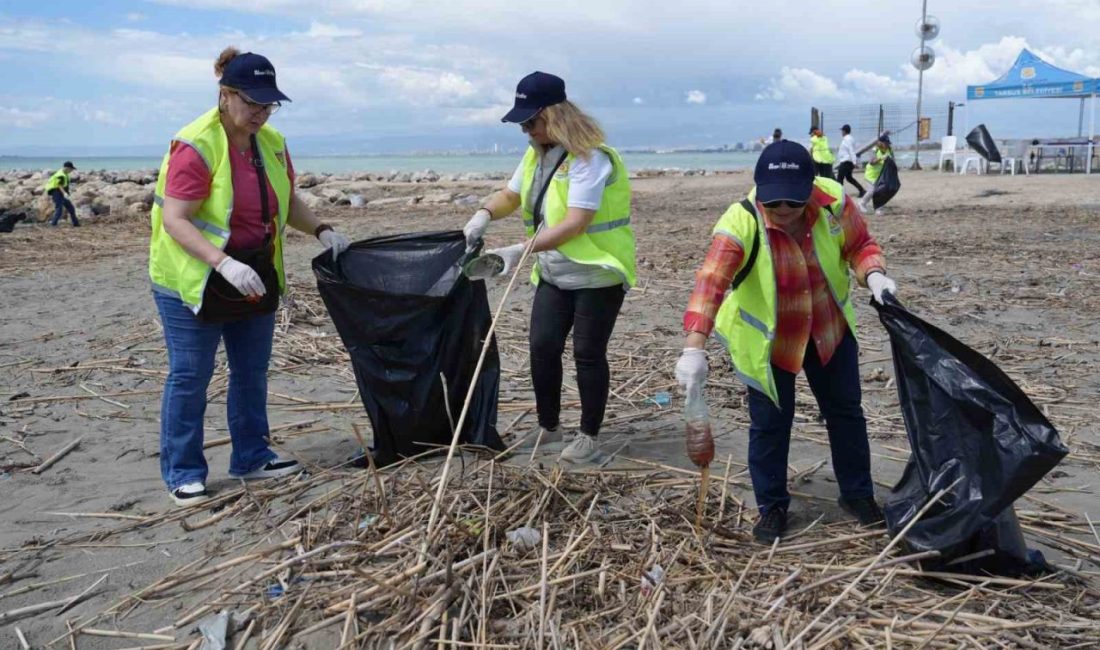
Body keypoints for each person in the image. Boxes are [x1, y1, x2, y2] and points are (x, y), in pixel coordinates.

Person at [148, 47, 351, 506]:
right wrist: (223, 263)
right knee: (190, 374)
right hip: (192, 277)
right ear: (226, 95)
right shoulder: (196, 144)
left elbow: (287, 199)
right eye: (253, 102)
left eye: (269, 104)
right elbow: (176, 220)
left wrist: (322, 229)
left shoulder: (273, 143)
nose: (261, 113)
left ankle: (252, 456)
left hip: (254, 274)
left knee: (251, 371)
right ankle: (183, 470)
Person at [674, 141, 898, 543]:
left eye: (791, 202)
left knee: (846, 413)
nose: (780, 210)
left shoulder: (832, 202)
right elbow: (710, 284)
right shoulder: (740, 221)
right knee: (770, 425)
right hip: (771, 343)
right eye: (771, 200)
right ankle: (772, 506)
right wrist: (694, 347)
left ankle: (858, 494)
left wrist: (875, 275)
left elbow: (860, 246)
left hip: (829, 330)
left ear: (809, 188)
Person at [463, 71, 636, 464]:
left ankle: (589, 436)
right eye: (522, 123)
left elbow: (576, 221)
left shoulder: (590, 158)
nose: (525, 130)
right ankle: (549, 427)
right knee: (542, 346)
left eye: (530, 121)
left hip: (597, 273)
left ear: (554, 116)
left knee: (588, 353)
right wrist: (483, 214)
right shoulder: (536, 154)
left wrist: (517, 251)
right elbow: (511, 194)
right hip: (555, 272)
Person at [860, 135, 894, 215]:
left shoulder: (890, 149)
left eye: (888, 143)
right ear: (880, 143)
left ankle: (878, 208)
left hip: (881, 176)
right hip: (871, 175)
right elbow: (872, 162)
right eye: (885, 143)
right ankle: (862, 203)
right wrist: (881, 158)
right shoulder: (875, 150)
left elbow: (893, 160)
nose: (887, 145)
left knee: (882, 191)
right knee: (872, 191)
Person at [44, 161, 79, 227]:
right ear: (67, 168)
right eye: (71, 169)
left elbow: (66, 182)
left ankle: (76, 224)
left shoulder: (64, 174)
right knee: (59, 209)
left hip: (61, 193)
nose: (71, 171)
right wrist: (65, 193)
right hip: (56, 193)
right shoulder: (60, 175)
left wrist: (76, 179)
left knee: (71, 208)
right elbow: (59, 185)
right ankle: (53, 224)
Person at [834, 125, 865, 198]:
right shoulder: (849, 138)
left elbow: (851, 150)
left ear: (844, 131)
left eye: (842, 130)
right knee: (849, 178)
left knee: (840, 178)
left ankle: (839, 195)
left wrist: (854, 162)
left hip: (846, 161)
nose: (841, 132)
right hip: (847, 161)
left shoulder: (847, 139)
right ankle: (862, 190)